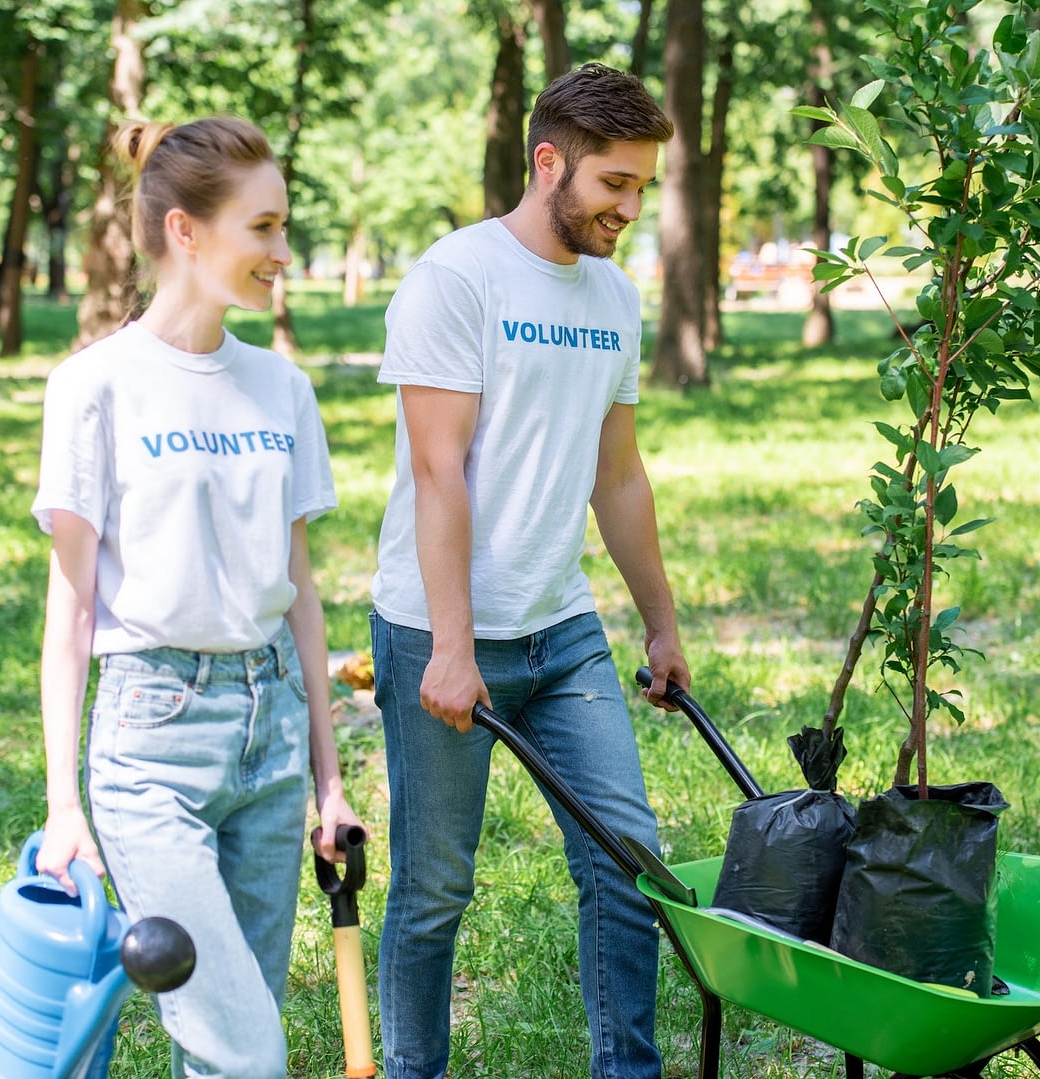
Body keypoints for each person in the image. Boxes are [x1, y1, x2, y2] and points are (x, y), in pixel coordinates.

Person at [369, 63, 688, 1079]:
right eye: (613, 184)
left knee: (628, 858)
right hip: (439, 629)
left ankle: (626, 1069)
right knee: (433, 885)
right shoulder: (456, 278)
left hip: (561, 626)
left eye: (642, 187)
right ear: (550, 162)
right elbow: (437, 470)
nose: (628, 208)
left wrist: (662, 623)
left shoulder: (613, 296)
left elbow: (620, 473)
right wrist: (454, 649)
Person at [31, 115, 363, 1079]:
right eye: (262, 228)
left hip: (271, 733)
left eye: (282, 227)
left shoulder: (282, 388)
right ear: (185, 231)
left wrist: (327, 779)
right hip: (150, 734)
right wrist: (64, 802)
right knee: (246, 1050)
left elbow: (299, 591)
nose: (282, 251)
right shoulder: (94, 386)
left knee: (236, 1025)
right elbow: (73, 611)